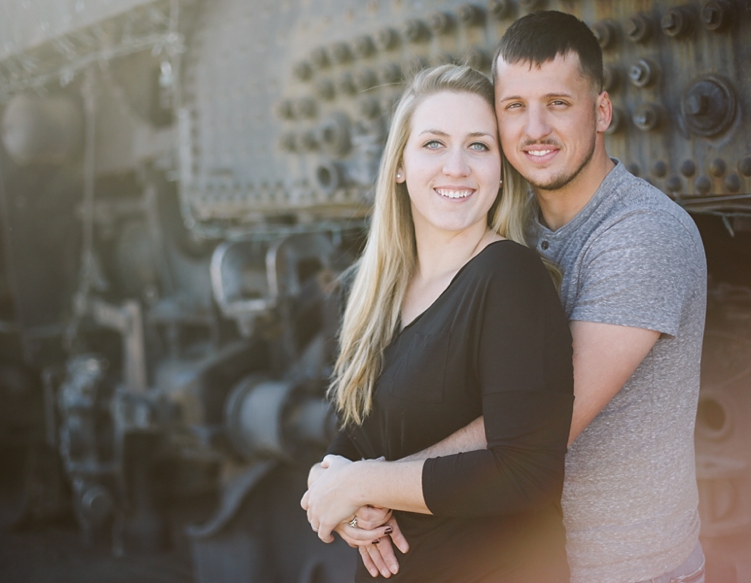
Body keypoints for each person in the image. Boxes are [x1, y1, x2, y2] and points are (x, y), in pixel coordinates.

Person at [344, 10, 708, 583]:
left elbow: (538, 428)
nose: (535, 128)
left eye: (558, 103)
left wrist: (366, 486)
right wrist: (356, 482)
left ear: (603, 110)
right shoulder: (510, 232)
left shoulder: (643, 235)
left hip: (623, 567)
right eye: (514, 107)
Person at [300, 64, 574, 582]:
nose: (457, 167)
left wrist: (367, 486)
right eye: (433, 144)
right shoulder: (372, 287)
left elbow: (528, 472)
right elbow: (362, 432)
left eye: (478, 146)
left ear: (500, 168)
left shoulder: (509, 277)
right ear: (400, 165)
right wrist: (333, 478)